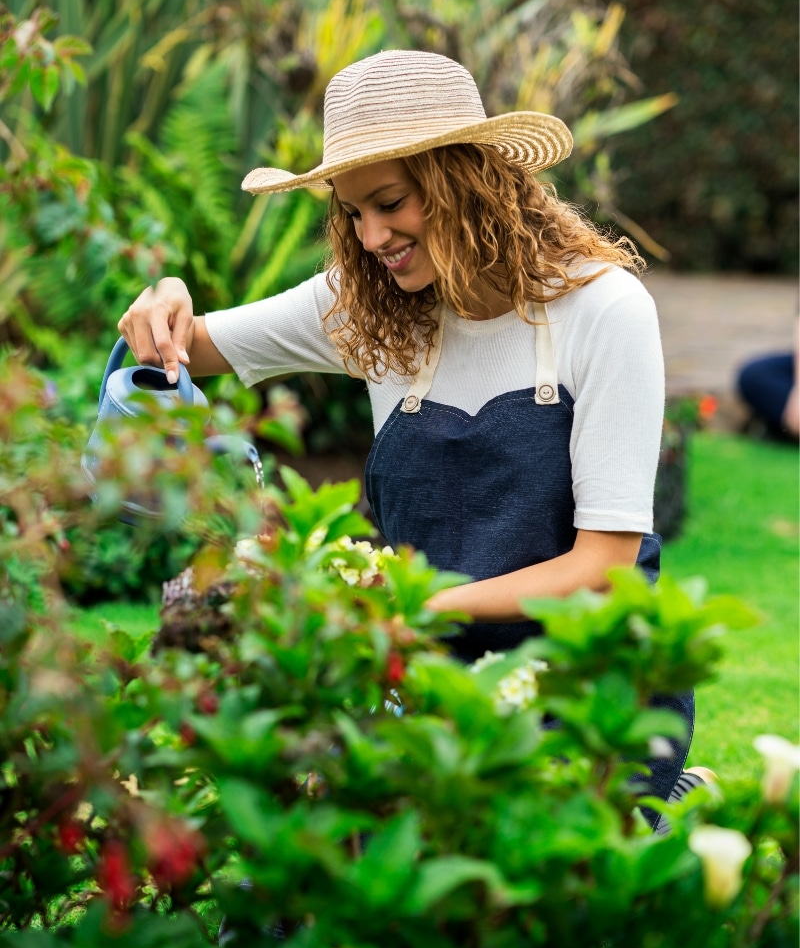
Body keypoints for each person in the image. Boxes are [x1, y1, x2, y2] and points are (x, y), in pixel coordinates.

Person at [119, 49, 699, 821]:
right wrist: (166, 295)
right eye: (352, 212)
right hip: (428, 675)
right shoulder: (372, 305)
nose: (370, 236)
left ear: (463, 178)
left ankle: (660, 802)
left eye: (390, 202)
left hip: (592, 680)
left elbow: (604, 566)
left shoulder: (602, 312)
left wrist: (407, 611)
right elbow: (180, 346)